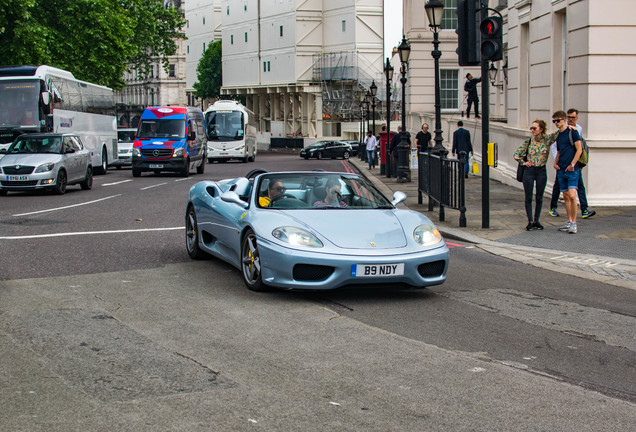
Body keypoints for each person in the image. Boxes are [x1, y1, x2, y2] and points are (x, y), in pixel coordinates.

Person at [548, 108, 596, 219]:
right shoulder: (559, 133)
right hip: (562, 164)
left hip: (573, 165)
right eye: (569, 117)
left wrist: (574, 163)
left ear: (576, 118)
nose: (570, 119)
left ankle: (583, 209)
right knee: (559, 187)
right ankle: (553, 208)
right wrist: (557, 162)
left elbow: (578, 148)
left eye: (572, 117)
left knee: (577, 189)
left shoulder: (576, 130)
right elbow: (557, 148)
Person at [514, 120, 552, 230]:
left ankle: (537, 220)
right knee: (528, 196)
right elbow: (516, 154)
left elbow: (559, 133)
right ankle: (530, 220)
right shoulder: (529, 141)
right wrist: (523, 163)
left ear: (541, 129)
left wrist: (571, 127)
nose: (532, 130)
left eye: (534, 128)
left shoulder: (547, 140)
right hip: (529, 171)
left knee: (539, 197)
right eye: (531, 128)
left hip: (541, 170)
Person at [552, 110, 583, 234]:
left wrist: (572, 164)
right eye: (554, 121)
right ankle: (569, 220)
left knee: (572, 195)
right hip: (561, 168)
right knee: (565, 196)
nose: (556, 123)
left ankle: (574, 222)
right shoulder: (558, 135)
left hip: (572, 169)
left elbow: (579, 149)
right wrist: (556, 162)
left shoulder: (573, 132)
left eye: (558, 121)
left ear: (564, 120)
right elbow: (559, 151)